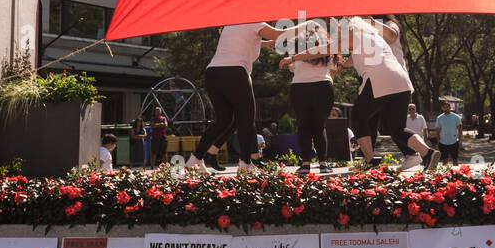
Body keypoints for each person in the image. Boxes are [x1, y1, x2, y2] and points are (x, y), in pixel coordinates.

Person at [289, 16, 440, 170]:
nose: (338, 34)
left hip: (379, 79)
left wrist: (294, 57)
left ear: (350, 27)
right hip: (402, 82)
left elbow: (322, 50)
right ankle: (428, 153)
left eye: (341, 30)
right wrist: (341, 66)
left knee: (358, 117)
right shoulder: (375, 37)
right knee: (397, 129)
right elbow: (351, 61)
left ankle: (370, 161)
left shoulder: (354, 35)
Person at [185, 22, 286, 173]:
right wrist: (305, 26)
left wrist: (265, 44)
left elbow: (243, 40)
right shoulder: (255, 21)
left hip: (212, 73)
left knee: (224, 120)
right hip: (234, 72)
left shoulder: (233, 24)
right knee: (246, 118)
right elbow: (278, 34)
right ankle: (245, 163)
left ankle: (195, 160)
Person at [280, 40, 337, 174]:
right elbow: (334, 68)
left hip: (300, 87)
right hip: (323, 86)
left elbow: (291, 68)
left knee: (303, 125)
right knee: (319, 126)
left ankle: (305, 164)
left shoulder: (296, 49)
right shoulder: (326, 48)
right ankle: (323, 164)